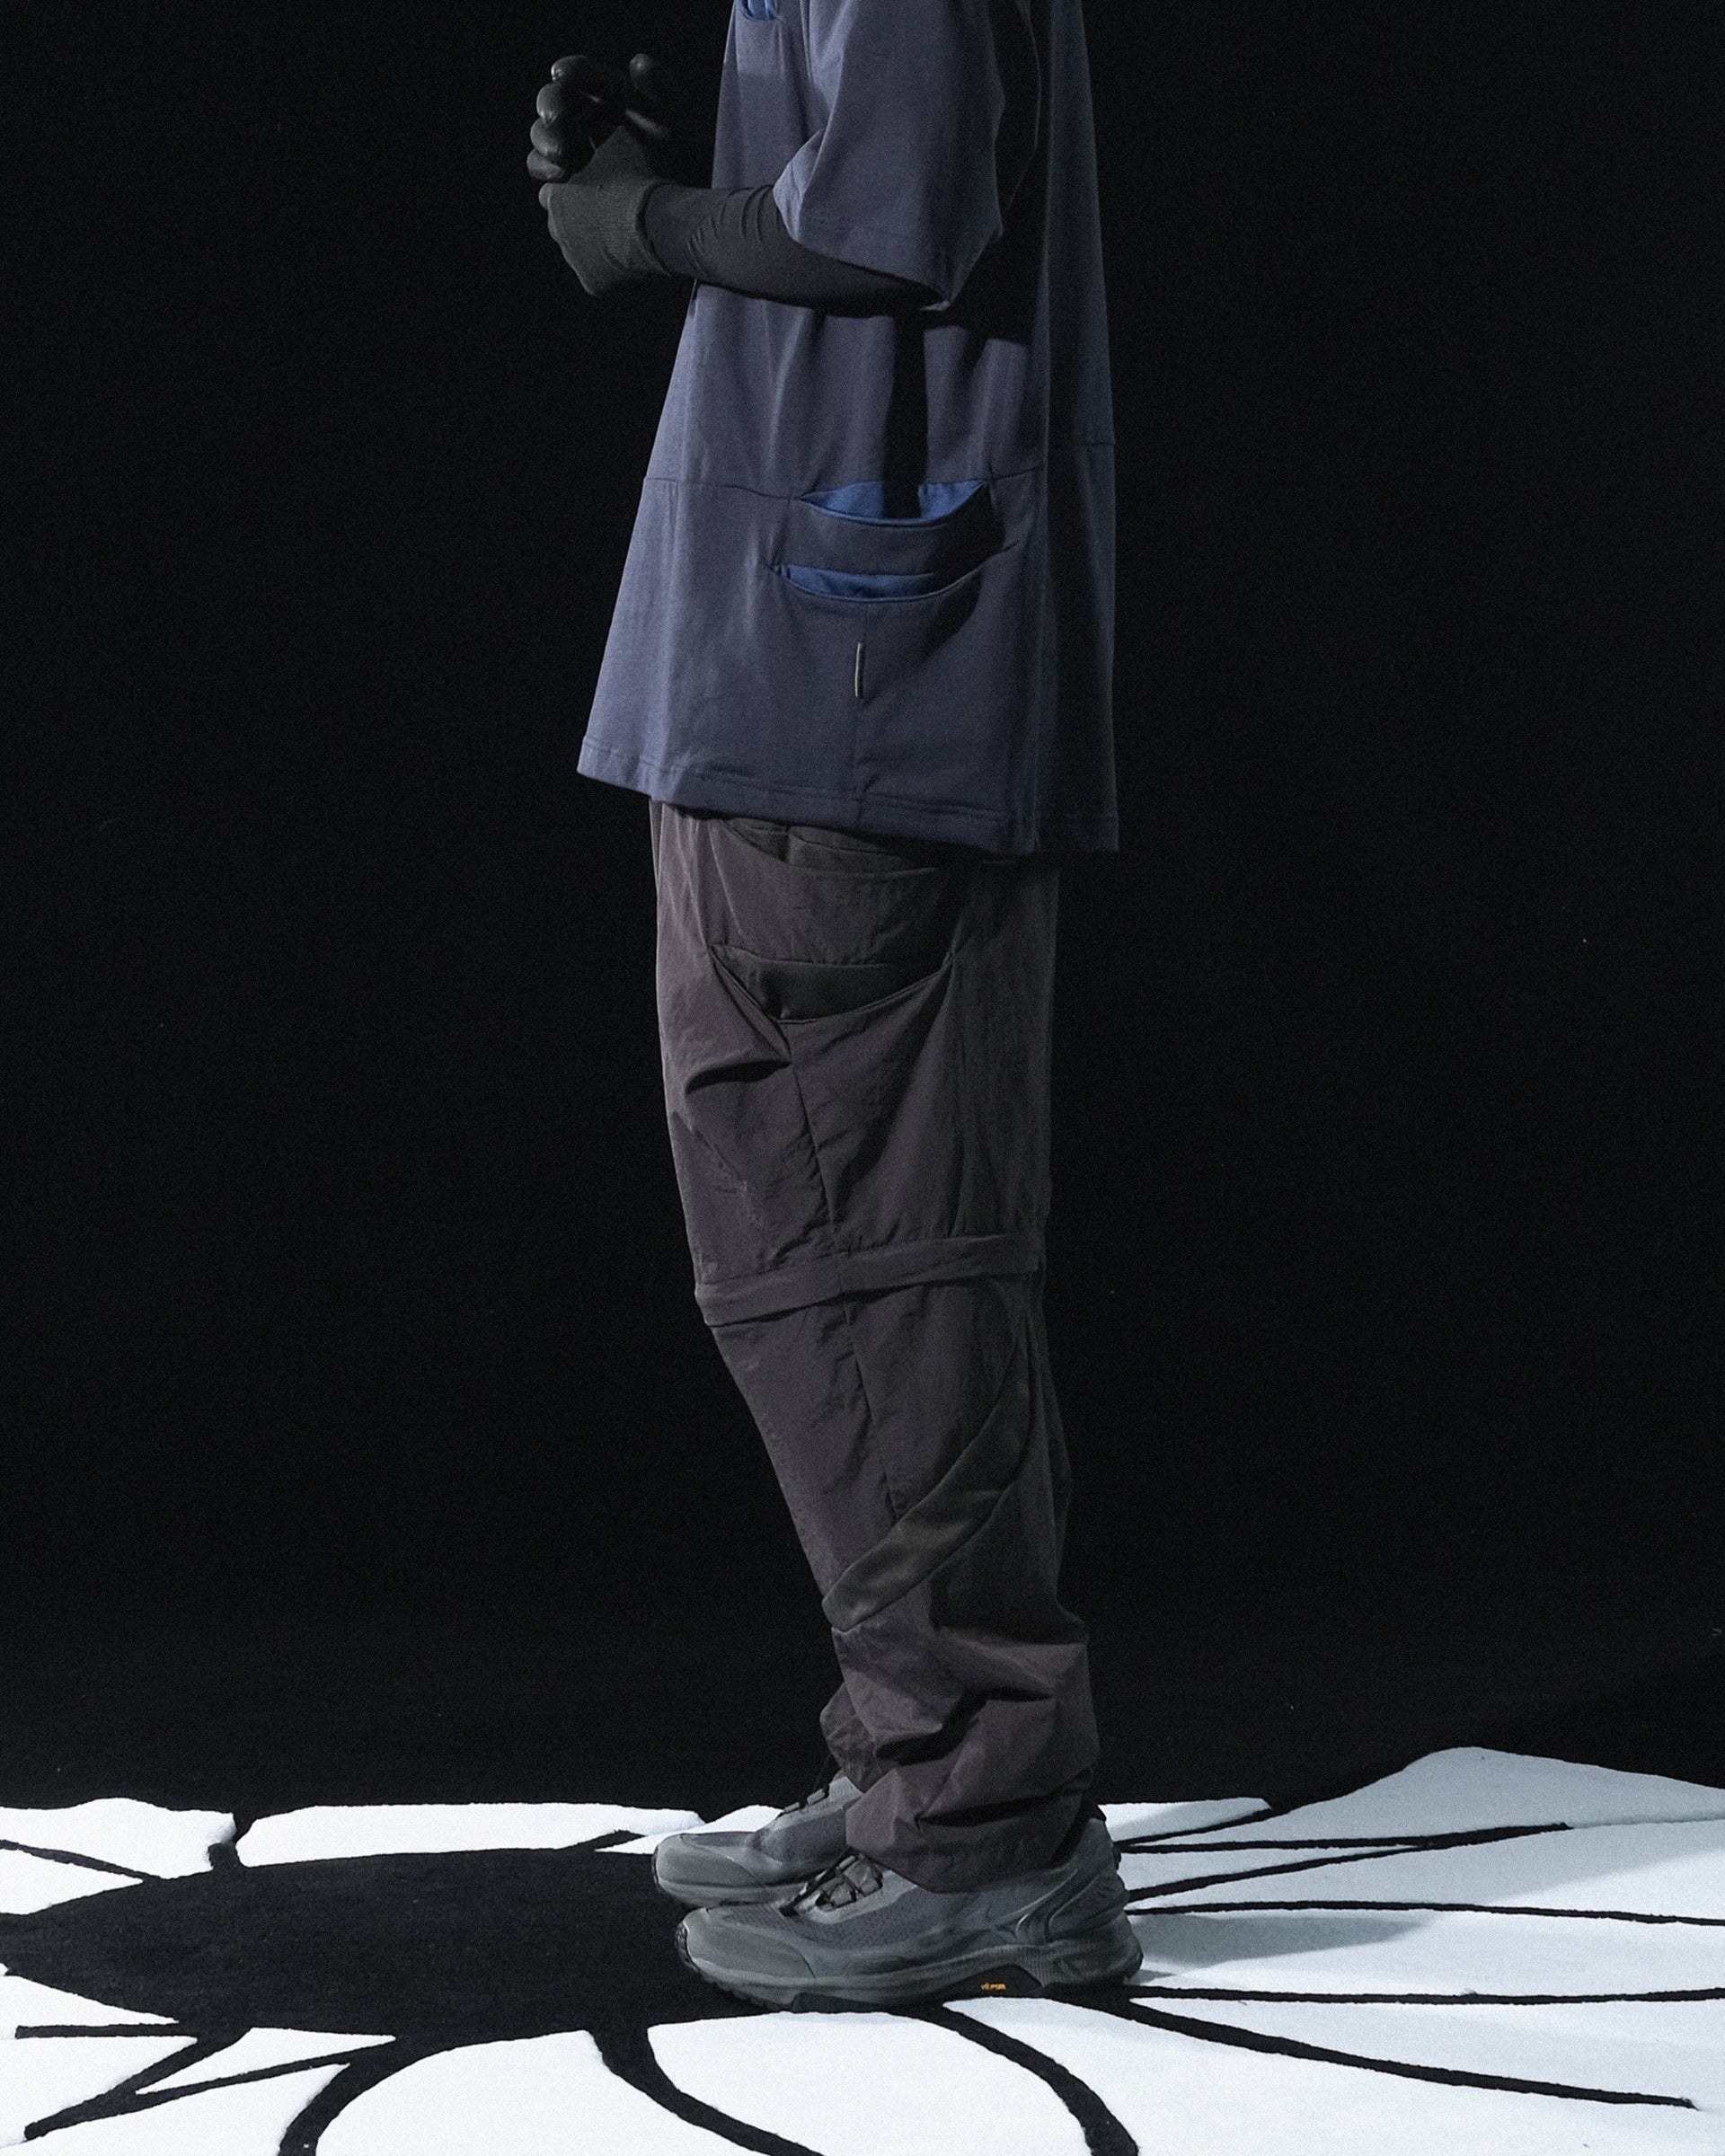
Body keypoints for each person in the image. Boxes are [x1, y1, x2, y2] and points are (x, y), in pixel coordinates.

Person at [527, 0, 1133, 2012]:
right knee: (849, 1249)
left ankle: (984, 1830)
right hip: (821, 662)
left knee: (864, 1258)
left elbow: (889, 221)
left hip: (847, 692)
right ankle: (926, 1767)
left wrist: (646, 221)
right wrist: (681, 178)